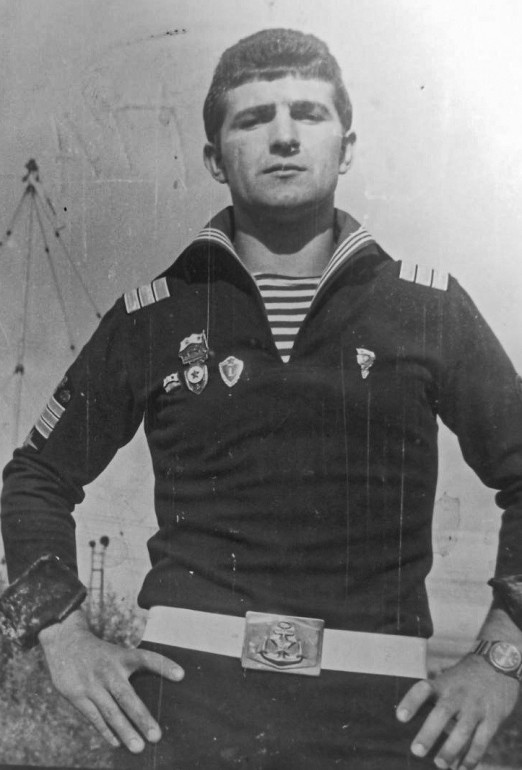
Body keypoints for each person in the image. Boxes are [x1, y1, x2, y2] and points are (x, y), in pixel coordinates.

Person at [1, 27, 522, 770]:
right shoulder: (155, 316)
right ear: (215, 158)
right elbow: (35, 477)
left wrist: (503, 656)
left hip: (381, 719)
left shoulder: (426, 309)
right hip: (184, 714)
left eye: (308, 114)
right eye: (253, 119)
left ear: (346, 146)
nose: (283, 136)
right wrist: (59, 632)